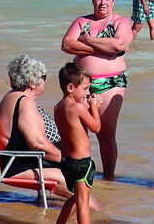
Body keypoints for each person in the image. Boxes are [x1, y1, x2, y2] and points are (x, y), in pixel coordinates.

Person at [60, 0, 132, 179]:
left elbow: (118, 46)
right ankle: (81, 175)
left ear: (113, 0)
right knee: (77, 132)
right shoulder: (82, 21)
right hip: (80, 84)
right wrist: (102, 48)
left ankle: (109, 178)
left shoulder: (121, 22)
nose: (103, 2)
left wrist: (87, 40)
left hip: (111, 83)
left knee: (106, 133)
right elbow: (66, 45)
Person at [0, 55, 74, 200]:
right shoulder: (24, 102)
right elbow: (37, 145)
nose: (45, 81)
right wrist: (66, 159)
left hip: (11, 161)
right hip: (16, 166)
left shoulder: (11, 97)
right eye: (44, 77)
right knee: (78, 184)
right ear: (32, 82)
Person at [54, 63, 102, 224]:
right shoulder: (78, 107)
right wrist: (94, 107)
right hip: (82, 163)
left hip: (66, 162)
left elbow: (75, 126)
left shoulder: (58, 107)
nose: (87, 93)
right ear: (70, 87)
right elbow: (96, 127)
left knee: (76, 198)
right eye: (85, 88)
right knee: (83, 202)